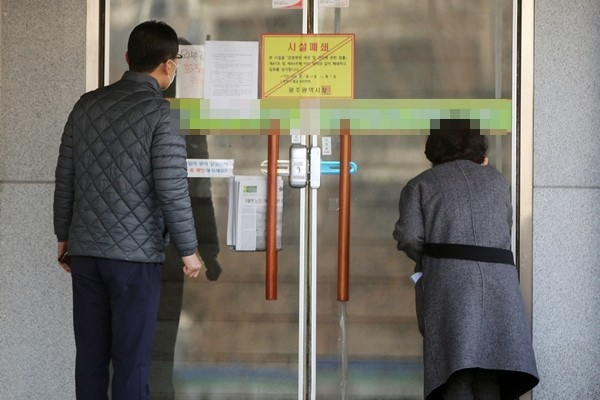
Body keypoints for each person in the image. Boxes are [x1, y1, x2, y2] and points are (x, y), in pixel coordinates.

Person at [53, 20, 204, 400]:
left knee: (89, 357)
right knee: (131, 361)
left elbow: (65, 178)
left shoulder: (87, 105)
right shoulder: (161, 114)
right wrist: (189, 250)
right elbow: (172, 189)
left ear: (127, 58)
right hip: (133, 260)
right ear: (169, 65)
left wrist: (63, 237)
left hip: (86, 254)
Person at [393, 119, 539, 400]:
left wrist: (429, 260)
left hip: (450, 284)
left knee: (455, 373)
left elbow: (409, 237)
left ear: (434, 146)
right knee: (490, 372)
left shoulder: (420, 185)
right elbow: (504, 227)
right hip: (499, 285)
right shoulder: (497, 181)